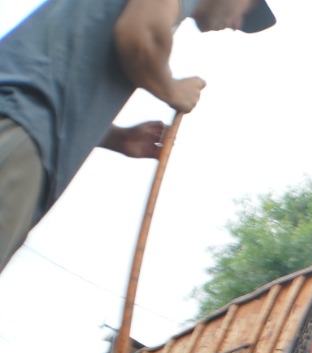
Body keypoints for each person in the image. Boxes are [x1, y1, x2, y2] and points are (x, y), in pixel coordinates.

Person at [0, 0, 276, 273]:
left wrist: (115, 137)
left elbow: (50, 77)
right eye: (248, 9)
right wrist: (172, 89)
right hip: (19, 135)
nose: (238, 26)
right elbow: (141, 35)